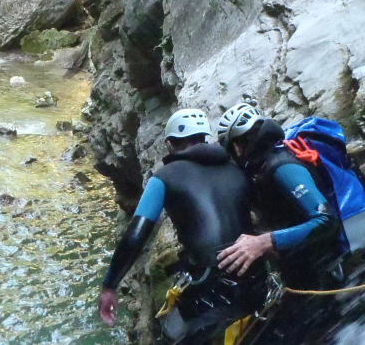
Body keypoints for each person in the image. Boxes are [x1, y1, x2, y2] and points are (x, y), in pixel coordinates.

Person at [98, 108, 267, 344]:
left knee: (169, 336)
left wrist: (109, 286)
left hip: (214, 291)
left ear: (169, 143)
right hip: (259, 283)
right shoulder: (235, 169)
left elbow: (136, 235)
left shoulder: (164, 177)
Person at [214, 103, 345, 344]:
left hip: (327, 275)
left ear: (237, 146)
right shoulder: (265, 169)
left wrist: (264, 242)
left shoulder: (282, 167)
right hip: (308, 276)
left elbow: (326, 220)